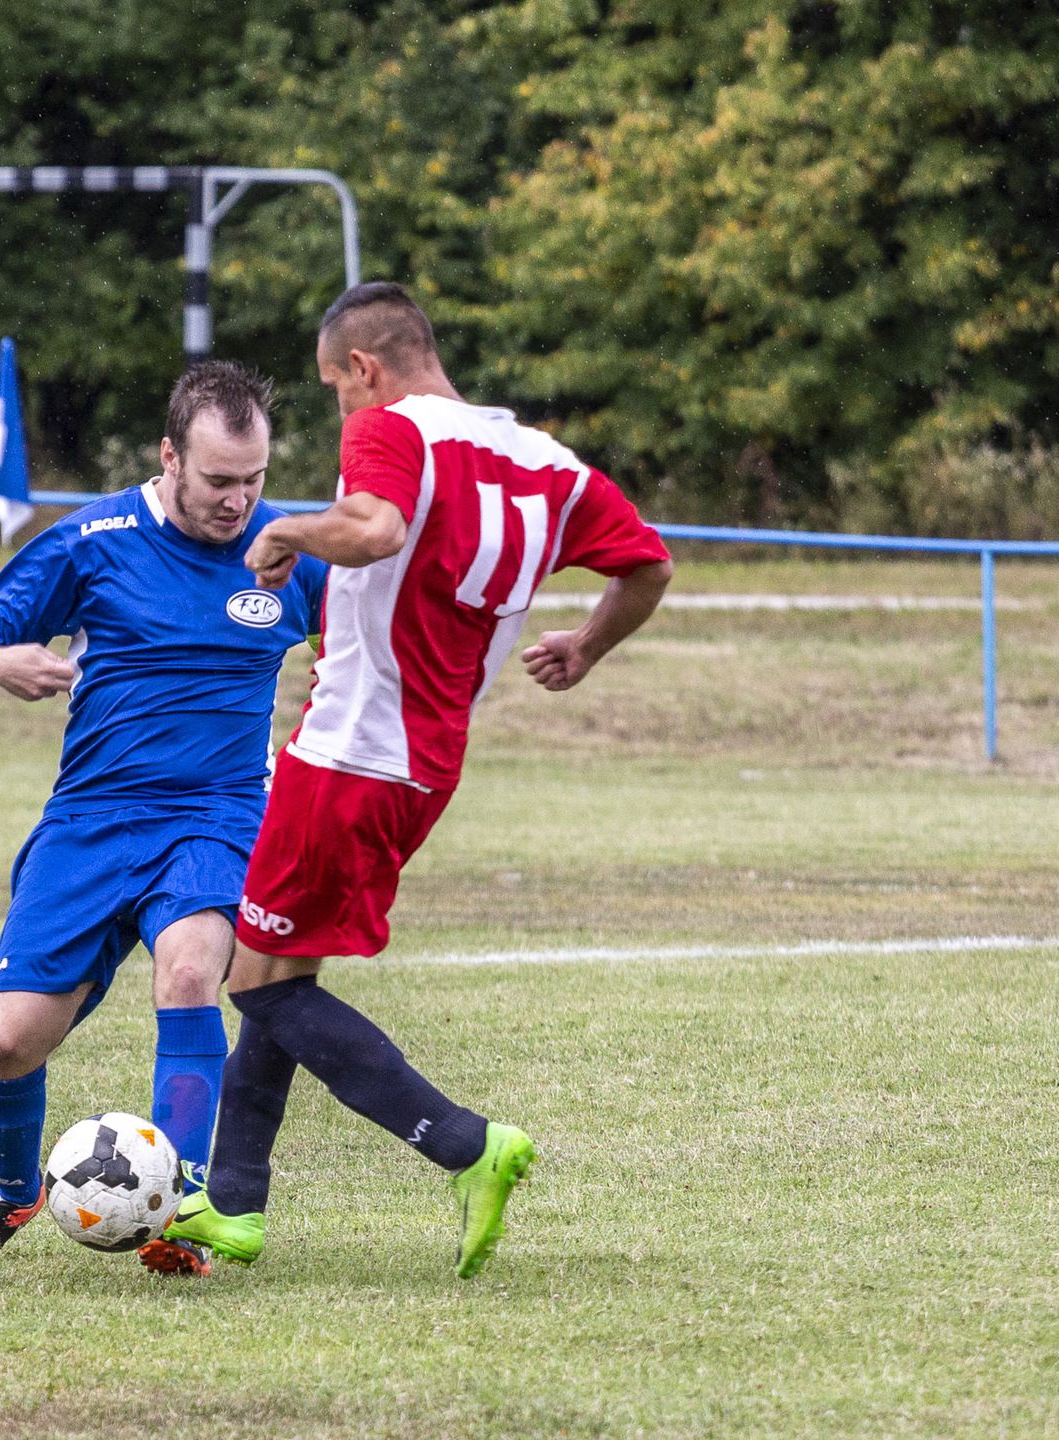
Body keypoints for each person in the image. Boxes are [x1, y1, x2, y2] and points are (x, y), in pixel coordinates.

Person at [164, 282, 674, 1279]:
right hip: (427, 768)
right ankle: (234, 1204)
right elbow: (648, 566)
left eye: (333, 391)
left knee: (255, 979)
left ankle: (465, 1144)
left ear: (365, 368)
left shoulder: (395, 428)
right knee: (282, 965)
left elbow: (376, 529)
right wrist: (586, 646)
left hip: (348, 754)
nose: (341, 414)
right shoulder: (551, 466)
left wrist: (288, 532)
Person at [0, 361, 328, 1277]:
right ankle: (16, 1191)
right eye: (220, 480)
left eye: (255, 479)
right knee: (9, 1041)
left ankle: (178, 1213)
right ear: (168, 457)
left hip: (219, 811)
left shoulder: (288, 547)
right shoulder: (92, 540)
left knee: (190, 971)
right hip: (93, 819)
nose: (240, 502)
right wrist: (2, 667)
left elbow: (355, 644)